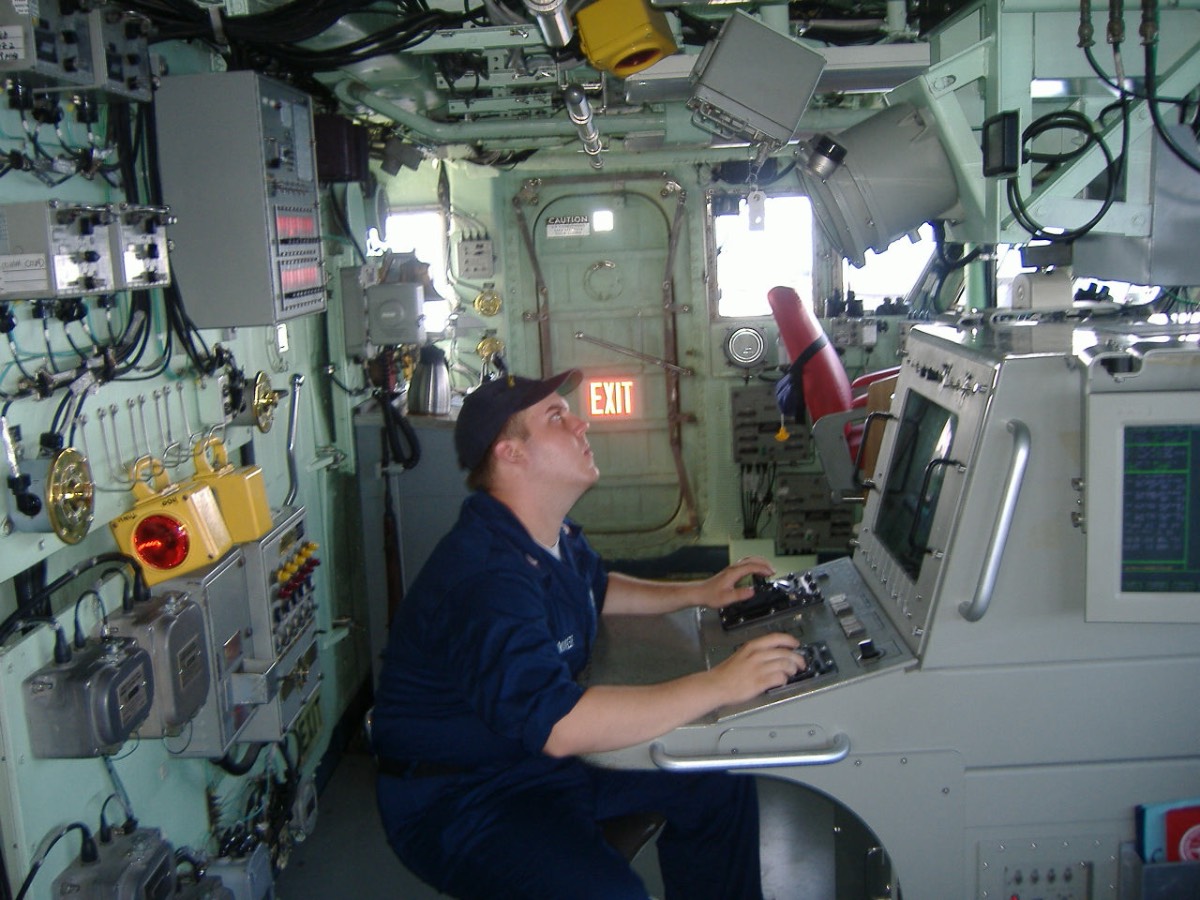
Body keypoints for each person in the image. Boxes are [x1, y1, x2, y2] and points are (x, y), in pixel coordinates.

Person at [372, 369, 804, 900]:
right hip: (460, 796)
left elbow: (595, 589)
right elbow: (560, 725)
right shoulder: (484, 578)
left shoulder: (545, 534)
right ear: (511, 454)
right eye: (557, 417)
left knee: (717, 781)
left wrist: (699, 592)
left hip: (533, 762)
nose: (582, 423)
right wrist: (721, 685)